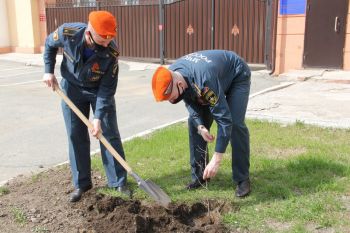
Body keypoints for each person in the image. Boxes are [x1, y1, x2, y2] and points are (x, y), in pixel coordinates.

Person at [43, 10, 131, 202]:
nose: (106, 45)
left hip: (98, 90)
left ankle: (118, 181)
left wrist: (98, 117)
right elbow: (49, 44)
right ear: (89, 33)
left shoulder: (111, 53)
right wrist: (48, 71)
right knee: (76, 135)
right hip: (71, 89)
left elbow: (107, 89)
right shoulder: (68, 32)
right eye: (102, 41)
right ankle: (82, 184)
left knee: (108, 133)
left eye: (109, 41)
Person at [152, 50, 251, 197]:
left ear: (179, 84)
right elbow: (187, 98)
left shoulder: (204, 81)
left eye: (170, 97)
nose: (170, 101)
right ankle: (200, 176)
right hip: (210, 77)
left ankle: (242, 179)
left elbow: (224, 120)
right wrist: (200, 125)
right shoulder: (173, 74)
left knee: (235, 124)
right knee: (194, 124)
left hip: (236, 74)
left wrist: (216, 160)